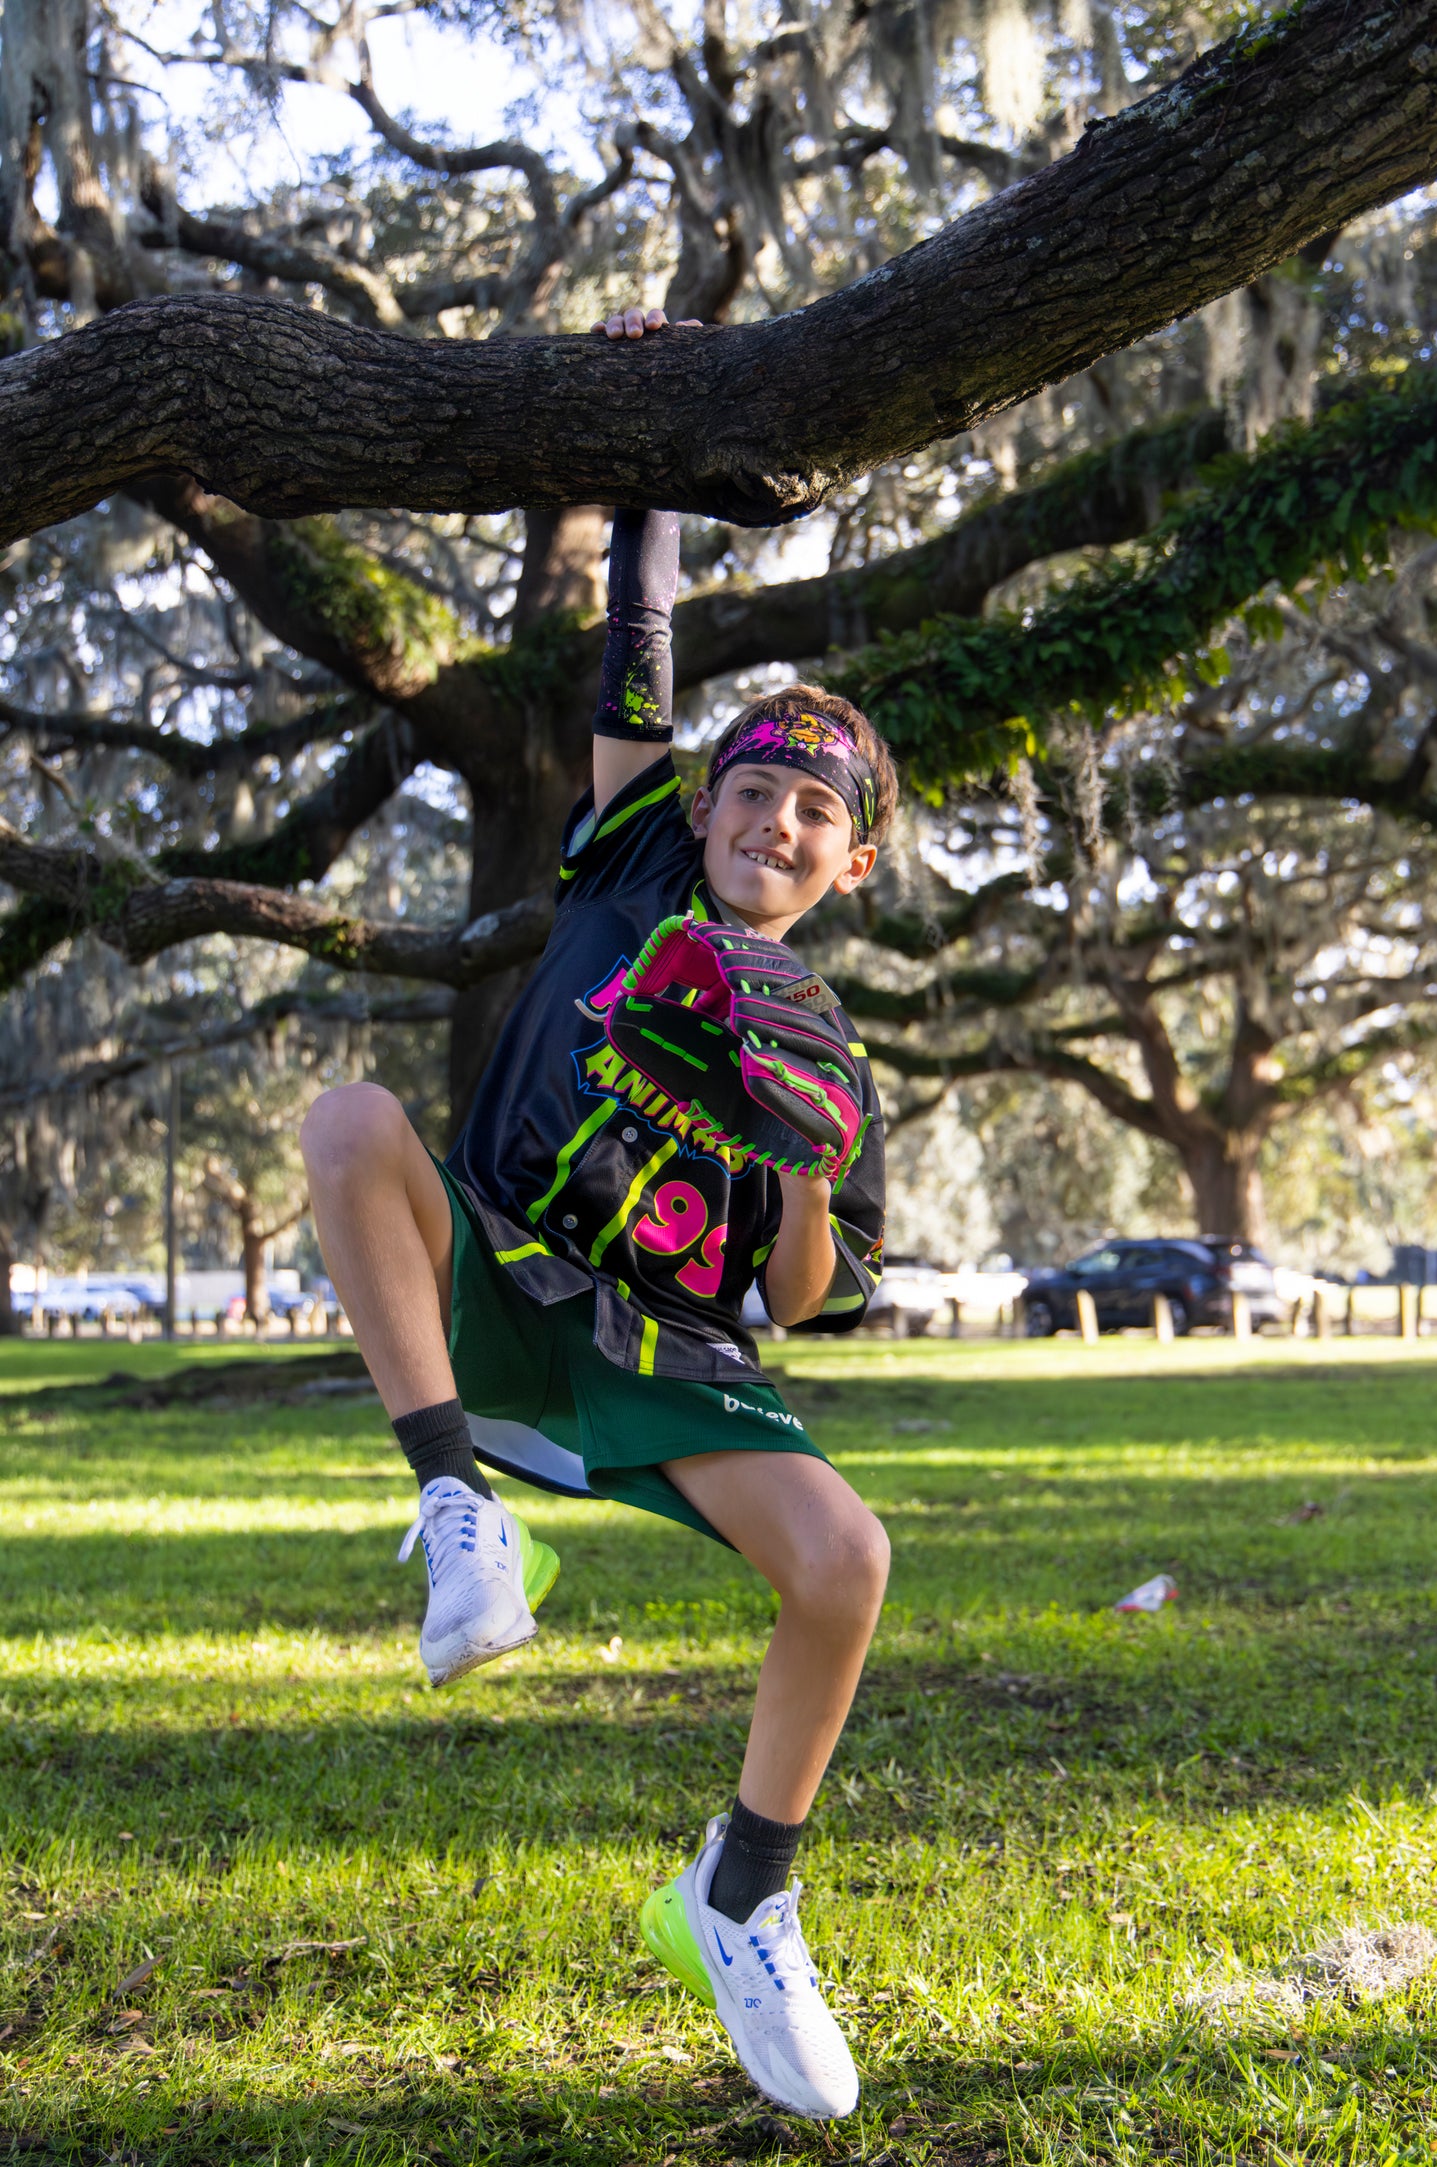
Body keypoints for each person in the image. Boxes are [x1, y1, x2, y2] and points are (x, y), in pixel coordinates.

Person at [299, 303, 899, 2122]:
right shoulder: (636, 841)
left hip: (671, 1343)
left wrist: (800, 1150)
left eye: (812, 812)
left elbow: (799, 1302)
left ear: (847, 861)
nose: (771, 824)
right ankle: (460, 1507)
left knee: (847, 1568)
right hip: (497, 1263)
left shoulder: (824, 1046)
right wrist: (654, 447)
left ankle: (737, 1896)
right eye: (752, 789)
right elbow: (638, 650)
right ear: (696, 803)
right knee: (341, 1117)